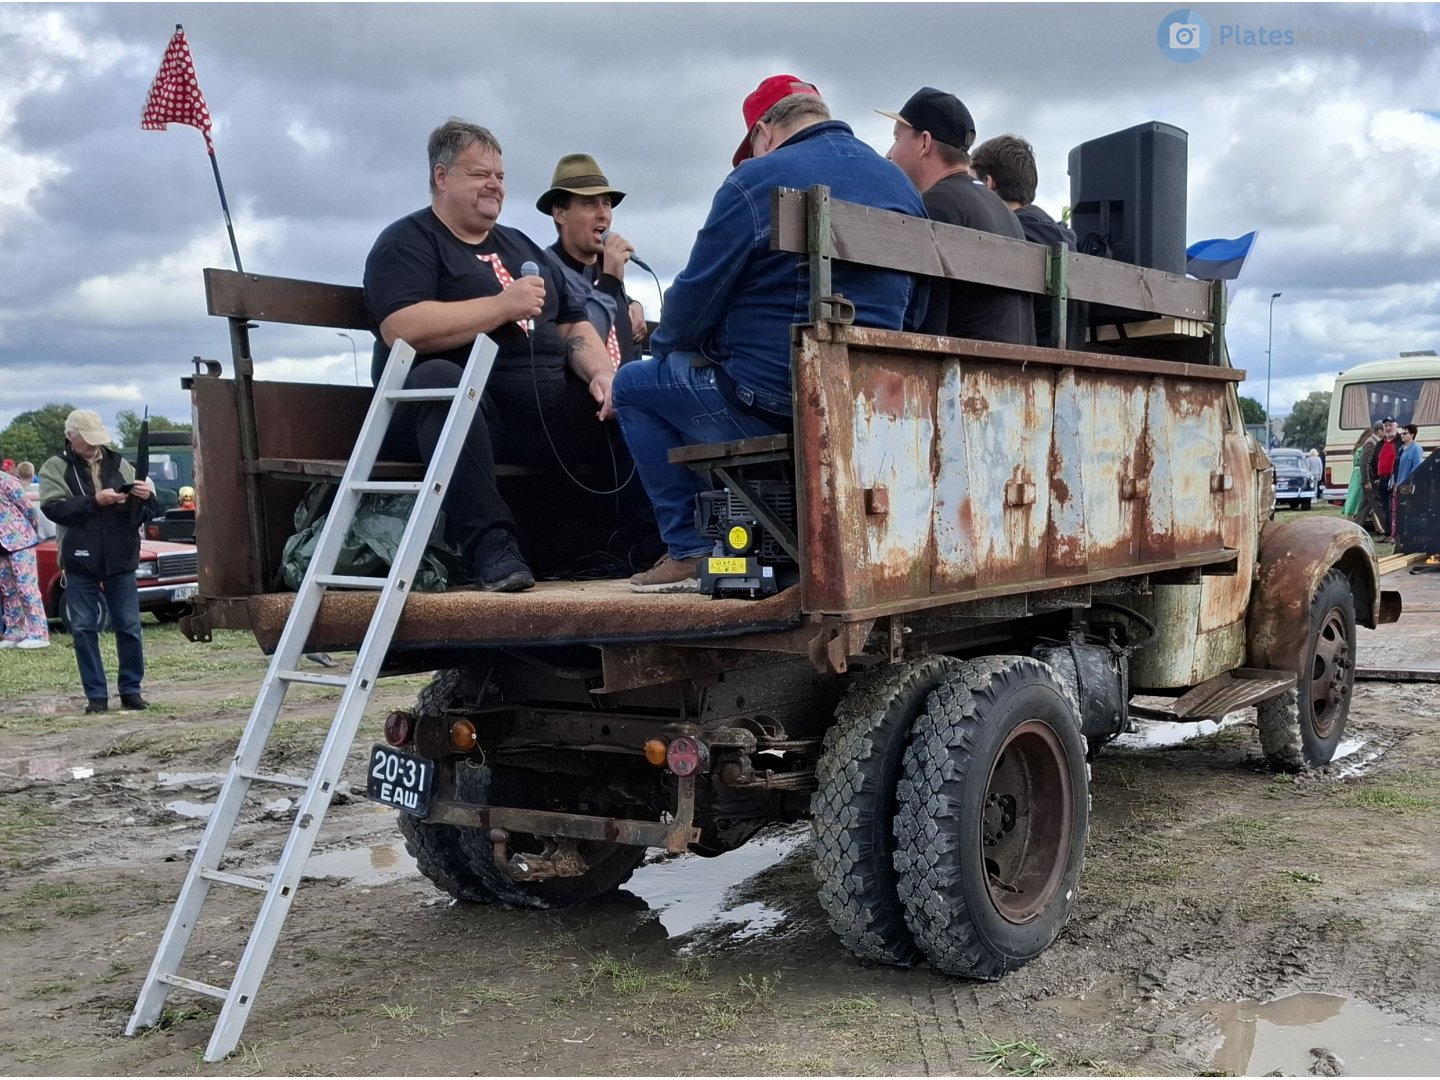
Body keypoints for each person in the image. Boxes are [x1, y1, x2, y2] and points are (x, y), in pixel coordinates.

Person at [611, 74, 927, 592]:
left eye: (749, 148)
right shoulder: (901, 187)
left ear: (763, 131)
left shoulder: (754, 181)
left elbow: (694, 302)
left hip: (772, 400)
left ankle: (690, 551)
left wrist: (665, 351)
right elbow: (916, 311)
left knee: (634, 387)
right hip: (867, 402)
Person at [364, 118, 620, 593]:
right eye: (480, 174)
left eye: (500, 176)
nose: (494, 186)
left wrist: (602, 373)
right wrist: (502, 306)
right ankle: (491, 549)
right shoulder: (407, 242)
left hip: (534, 411)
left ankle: (634, 543)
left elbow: (570, 323)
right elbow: (402, 327)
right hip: (452, 416)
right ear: (442, 177)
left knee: (626, 402)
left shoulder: (520, 243)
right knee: (441, 380)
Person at [879, 87, 1035, 346]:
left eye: (897, 138)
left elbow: (918, 317)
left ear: (925, 143)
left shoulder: (935, 206)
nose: (889, 153)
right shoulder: (1000, 208)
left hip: (961, 371)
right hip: (1010, 367)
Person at [39, 409, 160, 712]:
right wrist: (95, 501)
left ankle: (131, 691)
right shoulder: (55, 467)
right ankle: (96, 697)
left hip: (121, 556)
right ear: (70, 437)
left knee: (130, 626)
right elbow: (54, 509)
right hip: (80, 560)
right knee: (83, 629)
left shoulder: (119, 463)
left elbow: (145, 513)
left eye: (97, 440)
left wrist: (146, 498)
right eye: (88, 440)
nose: (95, 447)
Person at [970, 133, 1079, 347]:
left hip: (1020, 366)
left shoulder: (1007, 238)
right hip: (1066, 366)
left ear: (988, 183)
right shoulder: (1064, 238)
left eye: (971, 181)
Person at [538, 153, 645, 367]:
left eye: (606, 203)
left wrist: (633, 304)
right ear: (560, 214)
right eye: (589, 204)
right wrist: (610, 281)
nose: (603, 213)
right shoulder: (546, 273)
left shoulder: (604, 266)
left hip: (628, 393)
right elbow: (581, 344)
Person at [1, 466, 49, 649]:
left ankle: (39, 633)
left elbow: (27, 507)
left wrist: (31, 529)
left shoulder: (6, 480)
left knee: (26, 587)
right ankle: (15, 632)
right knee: (8, 589)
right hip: (2, 546)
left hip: (20, 540)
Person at [1368, 415, 1402, 533]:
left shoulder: (1401, 442)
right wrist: (1375, 478)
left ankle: (1395, 532)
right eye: (1386, 426)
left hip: (1396, 480)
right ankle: (1387, 532)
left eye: (1390, 425)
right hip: (1382, 479)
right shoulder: (1380, 443)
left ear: (1396, 426)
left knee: (1394, 507)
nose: (1388, 428)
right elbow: (1372, 462)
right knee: (1384, 507)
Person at [1392, 423, 1425, 538]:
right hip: (1399, 483)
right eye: (1401, 433)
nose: (1402, 436)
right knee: (1397, 511)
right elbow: (1397, 467)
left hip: (1408, 484)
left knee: (1408, 510)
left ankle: (1408, 534)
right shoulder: (1402, 448)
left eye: (1405, 433)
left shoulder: (1416, 448)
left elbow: (1417, 467)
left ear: (1412, 434)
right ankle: (1397, 534)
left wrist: (1409, 482)